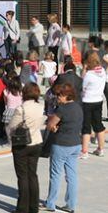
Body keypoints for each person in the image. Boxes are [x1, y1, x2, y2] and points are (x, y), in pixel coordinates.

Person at [7, 83, 45, 213]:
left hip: (22, 144)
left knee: (22, 176)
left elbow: (12, 126)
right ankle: (34, 207)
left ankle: (22, 208)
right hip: (36, 141)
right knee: (32, 175)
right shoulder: (40, 107)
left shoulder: (21, 109)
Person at [44, 82, 83, 212]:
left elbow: (50, 124)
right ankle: (71, 204)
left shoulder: (62, 109)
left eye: (59, 95)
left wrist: (53, 127)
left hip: (61, 144)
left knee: (55, 174)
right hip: (75, 143)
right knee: (71, 175)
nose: (58, 98)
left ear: (66, 95)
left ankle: (50, 203)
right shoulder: (78, 107)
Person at [80, 53, 106, 158]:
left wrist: (84, 69)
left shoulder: (88, 74)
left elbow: (83, 87)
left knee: (86, 127)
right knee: (98, 125)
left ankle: (85, 151)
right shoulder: (102, 71)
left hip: (87, 101)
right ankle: (100, 149)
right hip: (98, 100)